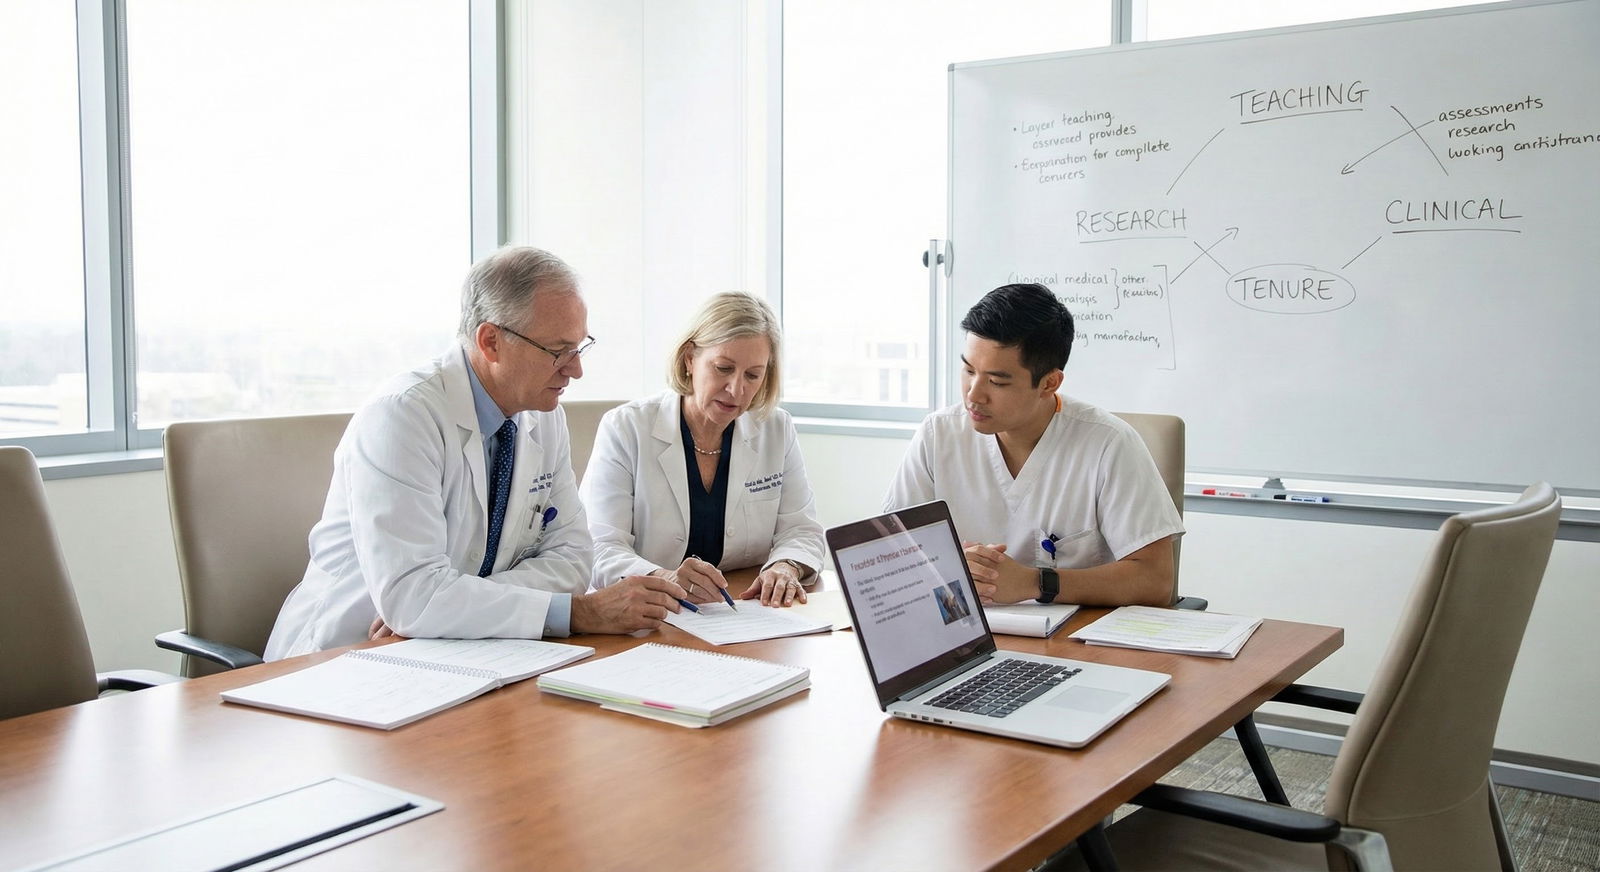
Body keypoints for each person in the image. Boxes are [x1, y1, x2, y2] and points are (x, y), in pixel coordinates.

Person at [265, 247, 692, 659]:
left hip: (464, 650)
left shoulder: (542, 416)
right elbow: (414, 596)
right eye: (558, 351)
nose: (576, 369)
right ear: (490, 341)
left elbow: (574, 559)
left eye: (580, 347)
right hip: (343, 658)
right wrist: (575, 612)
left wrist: (450, 605)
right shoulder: (403, 416)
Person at [883, 283, 1183, 608]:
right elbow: (888, 553)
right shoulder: (937, 435)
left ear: (1049, 383)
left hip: (1075, 641)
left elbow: (1155, 582)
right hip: (965, 631)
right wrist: (946, 567)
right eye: (969, 370)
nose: (974, 394)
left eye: (997, 381)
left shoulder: (1109, 444)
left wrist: (1035, 582)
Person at [580, 292, 825, 607]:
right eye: (723, 368)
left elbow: (802, 530)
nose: (737, 389)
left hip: (742, 612)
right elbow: (598, 548)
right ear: (689, 359)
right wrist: (664, 577)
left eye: (753, 375)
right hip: (648, 613)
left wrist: (786, 565)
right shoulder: (626, 428)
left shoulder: (775, 429)